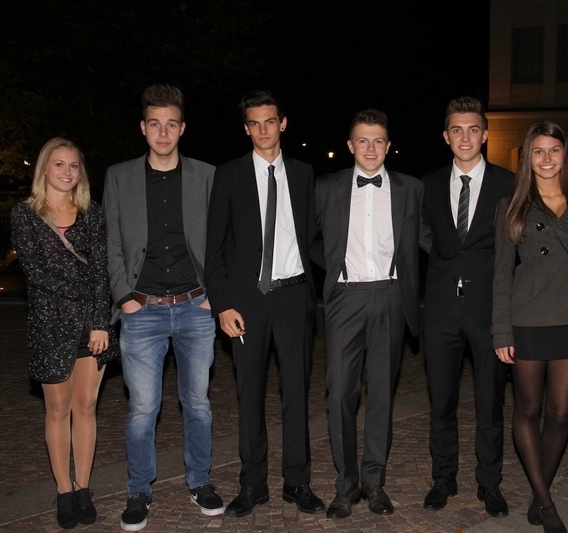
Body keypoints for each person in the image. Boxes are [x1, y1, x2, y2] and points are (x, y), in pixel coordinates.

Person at [103, 84, 223, 531]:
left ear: (183, 128)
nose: (163, 132)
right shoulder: (120, 176)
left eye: (171, 124)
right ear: (143, 127)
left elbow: (221, 240)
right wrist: (124, 297)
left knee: (198, 404)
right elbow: (112, 242)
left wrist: (213, 294)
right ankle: (139, 489)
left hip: (195, 307)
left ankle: (200, 481)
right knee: (142, 409)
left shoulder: (207, 175)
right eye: (155, 124)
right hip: (143, 309)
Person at [205, 90, 325, 517]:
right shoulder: (229, 175)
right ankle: (252, 485)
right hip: (247, 302)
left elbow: (313, 239)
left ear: (283, 123)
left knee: (296, 394)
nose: (262, 130)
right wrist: (222, 304)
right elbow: (214, 249)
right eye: (254, 123)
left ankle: (297, 483)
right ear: (246, 128)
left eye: (269, 121)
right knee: (249, 395)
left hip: (294, 296)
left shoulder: (304, 174)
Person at [315, 109, 426, 518]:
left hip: (391, 296)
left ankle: (374, 482)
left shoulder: (411, 188)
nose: (371, 148)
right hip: (345, 297)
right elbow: (308, 238)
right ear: (350, 145)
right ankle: (346, 485)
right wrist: (334, 269)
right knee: (340, 392)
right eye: (363, 140)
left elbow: (429, 238)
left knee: (381, 393)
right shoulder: (326, 187)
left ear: (388, 145)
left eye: (378, 140)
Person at [491, 122, 568, 533]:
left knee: (560, 413)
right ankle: (546, 504)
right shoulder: (512, 205)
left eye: (554, 150)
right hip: (529, 317)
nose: (547, 159)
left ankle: (539, 494)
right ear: (527, 158)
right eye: (538, 151)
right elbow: (501, 273)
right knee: (527, 410)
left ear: (565, 154)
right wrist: (501, 331)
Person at [11, 137, 119, 529]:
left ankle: (83, 487)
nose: (67, 172)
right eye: (59, 164)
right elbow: (36, 274)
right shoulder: (25, 215)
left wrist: (99, 321)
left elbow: (102, 270)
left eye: (73, 165)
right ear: (45, 168)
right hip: (50, 325)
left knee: (86, 407)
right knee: (57, 410)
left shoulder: (92, 213)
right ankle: (63, 491)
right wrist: (87, 292)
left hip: (91, 326)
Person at [420, 97, 514, 515]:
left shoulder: (508, 183)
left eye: (473, 129)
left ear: (485, 134)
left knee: (490, 405)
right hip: (441, 308)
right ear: (446, 136)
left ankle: (489, 483)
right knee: (441, 403)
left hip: (489, 309)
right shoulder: (429, 183)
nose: (465, 137)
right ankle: (443, 478)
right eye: (456, 130)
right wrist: (445, 257)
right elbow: (421, 229)